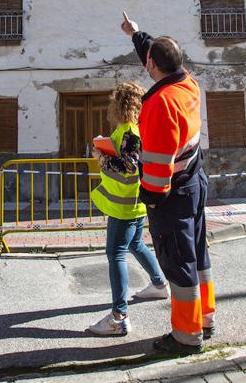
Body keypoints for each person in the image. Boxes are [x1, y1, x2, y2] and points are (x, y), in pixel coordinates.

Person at [120, 11, 216, 355]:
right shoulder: (187, 82)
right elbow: (155, 53)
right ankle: (205, 318)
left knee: (178, 262)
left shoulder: (159, 104)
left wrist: (150, 198)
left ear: (152, 68)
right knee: (197, 255)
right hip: (194, 182)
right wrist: (135, 33)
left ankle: (186, 336)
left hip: (172, 193)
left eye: (148, 61)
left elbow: (159, 166)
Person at [87, 82, 170, 336]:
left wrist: (100, 156)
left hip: (124, 206)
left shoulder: (129, 132)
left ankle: (119, 316)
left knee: (116, 254)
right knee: (135, 244)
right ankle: (158, 284)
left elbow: (130, 166)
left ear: (119, 104)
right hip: (135, 203)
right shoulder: (139, 129)